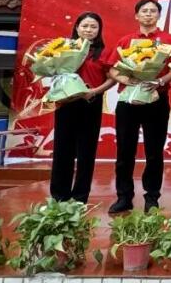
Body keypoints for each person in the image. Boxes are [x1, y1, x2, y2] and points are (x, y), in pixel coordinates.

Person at [106, 0, 171, 214]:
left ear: (159, 15)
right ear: (137, 16)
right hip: (128, 101)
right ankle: (124, 197)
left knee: (154, 151)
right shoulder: (126, 41)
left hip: (157, 100)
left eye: (153, 11)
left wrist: (161, 81)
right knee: (125, 150)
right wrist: (128, 80)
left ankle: (152, 197)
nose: (148, 14)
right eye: (144, 11)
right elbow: (112, 68)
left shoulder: (169, 40)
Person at [49, 12, 114, 203]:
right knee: (62, 150)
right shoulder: (64, 48)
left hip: (90, 103)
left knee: (86, 152)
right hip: (66, 103)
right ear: (77, 27)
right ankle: (59, 196)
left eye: (93, 27)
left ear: (99, 30)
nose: (88, 30)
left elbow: (112, 78)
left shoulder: (103, 52)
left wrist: (94, 91)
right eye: (85, 26)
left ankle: (80, 197)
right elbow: (52, 71)